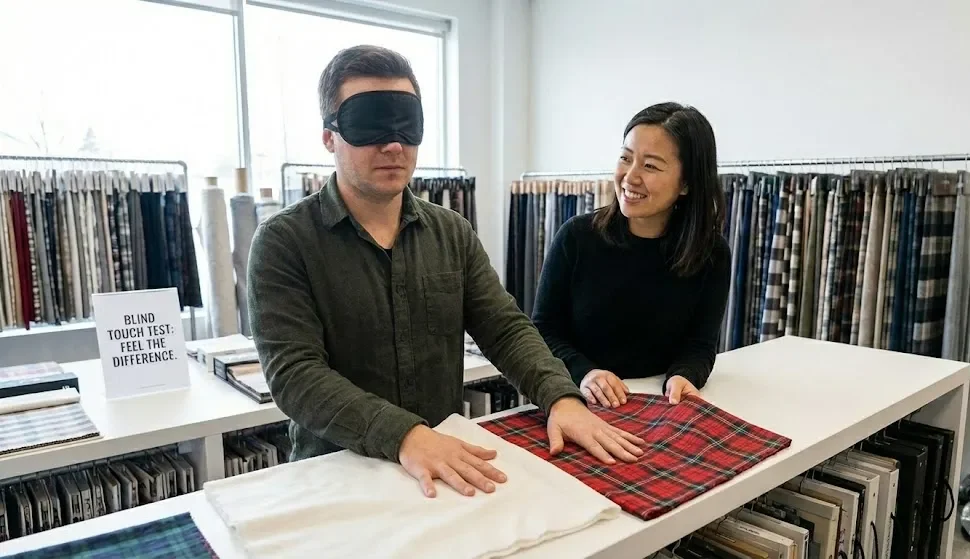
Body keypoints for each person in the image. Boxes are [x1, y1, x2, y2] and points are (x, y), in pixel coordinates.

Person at [247, 45, 645, 499]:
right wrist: (405, 436)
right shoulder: (283, 243)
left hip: (444, 476)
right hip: (338, 480)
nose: (393, 144)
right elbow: (295, 375)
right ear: (329, 137)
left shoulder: (451, 233)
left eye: (406, 124)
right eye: (369, 123)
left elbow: (504, 328)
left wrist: (559, 396)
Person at [532, 102, 731, 409]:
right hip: (575, 398)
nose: (630, 176)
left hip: (661, 406)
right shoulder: (576, 237)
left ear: (687, 183)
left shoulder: (711, 254)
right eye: (626, 158)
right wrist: (585, 372)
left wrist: (684, 376)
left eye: (650, 165)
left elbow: (700, 344)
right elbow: (543, 330)